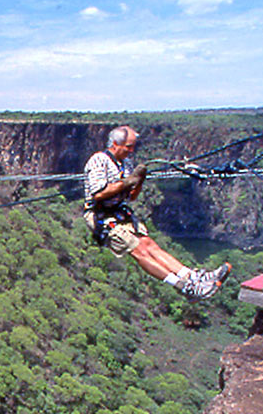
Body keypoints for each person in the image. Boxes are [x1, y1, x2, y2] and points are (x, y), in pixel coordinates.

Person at [83, 126, 231, 302]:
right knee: (138, 250)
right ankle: (183, 287)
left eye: (133, 147)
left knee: (149, 244)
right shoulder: (99, 160)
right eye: (128, 146)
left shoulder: (126, 164)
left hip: (119, 212)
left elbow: (132, 197)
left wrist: (138, 182)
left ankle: (192, 276)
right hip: (101, 216)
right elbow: (98, 193)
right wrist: (127, 182)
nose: (131, 151)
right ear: (115, 144)